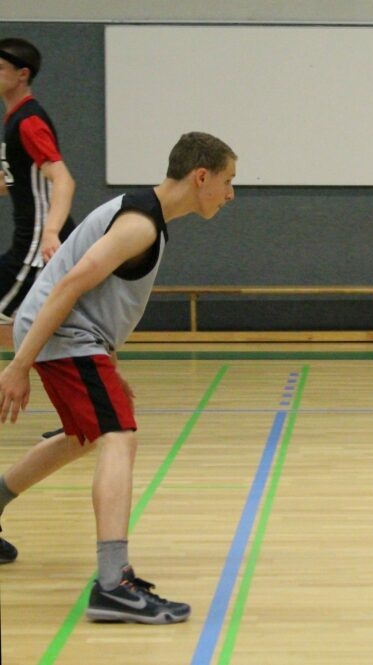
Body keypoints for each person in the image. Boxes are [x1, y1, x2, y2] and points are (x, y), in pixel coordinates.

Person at [0, 131, 237, 623]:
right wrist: (20, 365)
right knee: (118, 436)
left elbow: (95, 297)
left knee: (85, 436)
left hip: (75, 335)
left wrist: (108, 364)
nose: (231, 193)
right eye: (228, 181)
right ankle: (113, 583)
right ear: (201, 177)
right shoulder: (139, 226)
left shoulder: (147, 216)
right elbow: (70, 284)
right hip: (63, 333)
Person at [0, 37, 77, 348]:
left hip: (38, 244)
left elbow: (63, 179)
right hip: (31, 242)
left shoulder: (29, 121)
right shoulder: (14, 119)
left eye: (0, 67)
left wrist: (51, 233)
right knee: (68, 327)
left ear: (23, 74)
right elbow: (16, 181)